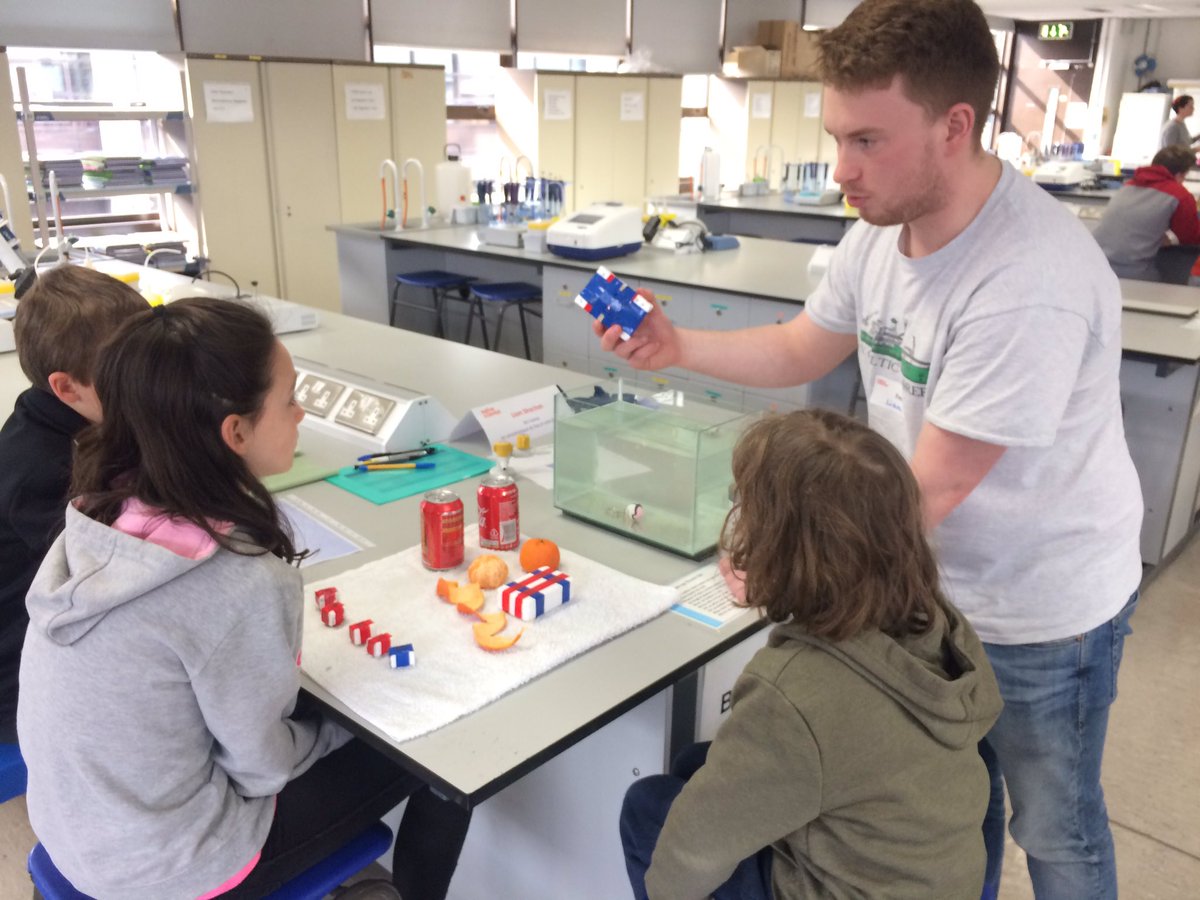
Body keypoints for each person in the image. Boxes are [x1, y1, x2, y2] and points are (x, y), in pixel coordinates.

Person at [595, 2, 1143, 898]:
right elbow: (804, 347)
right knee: (953, 806)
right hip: (926, 579)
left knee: (1057, 827)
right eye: (836, 137)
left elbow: (928, 493)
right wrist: (677, 344)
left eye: (867, 140)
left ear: (953, 127)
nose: (842, 170)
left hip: (1041, 605)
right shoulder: (882, 228)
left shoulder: (1026, 281)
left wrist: (779, 562)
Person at [18, 297, 469, 899]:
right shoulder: (237, 580)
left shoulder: (95, 516)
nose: (302, 412)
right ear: (235, 432)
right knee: (443, 756)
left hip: (75, 832)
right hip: (171, 868)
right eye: (288, 401)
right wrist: (338, 733)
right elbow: (263, 769)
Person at [620, 409, 1003, 900]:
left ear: (778, 547)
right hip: (936, 870)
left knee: (649, 806)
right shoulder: (938, 620)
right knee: (699, 761)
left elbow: (687, 857)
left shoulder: (793, 691)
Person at [0, 265, 146, 745]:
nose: (148, 384)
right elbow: (104, 584)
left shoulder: (77, 417)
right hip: (22, 681)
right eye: (129, 374)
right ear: (67, 387)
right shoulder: (41, 469)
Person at [1092, 145, 1200, 281]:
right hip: (1133, 273)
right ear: (1180, 175)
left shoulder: (1129, 185)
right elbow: (1191, 240)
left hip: (1096, 264)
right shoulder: (1180, 195)